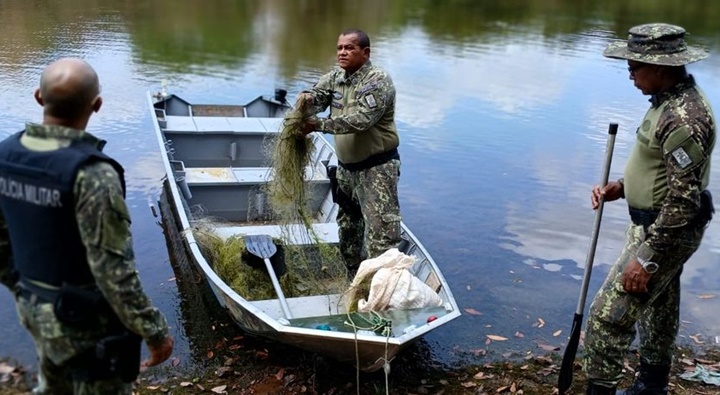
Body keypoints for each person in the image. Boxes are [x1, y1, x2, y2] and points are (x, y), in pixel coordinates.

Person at [0, 58, 174, 394]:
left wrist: (24, 290)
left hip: (33, 307)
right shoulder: (93, 175)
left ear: (39, 97)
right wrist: (154, 331)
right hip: (88, 323)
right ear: (97, 105)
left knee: (53, 383)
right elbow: (113, 269)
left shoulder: (5, 155)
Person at [583, 24, 715, 395]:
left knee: (607, 320)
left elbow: (683, 199)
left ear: (661, 67)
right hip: (653, 224)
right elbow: (664, 172)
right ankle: (652, 387)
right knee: (657, 309)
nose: (629, 72)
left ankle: (601, 390)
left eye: (635, 65)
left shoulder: (684, 118)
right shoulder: (665, 102)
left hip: (664, 232)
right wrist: (622, 189)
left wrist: (648, 258)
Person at [299, 28, 402, 272]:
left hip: (376, 170)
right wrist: (307, 100)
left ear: (365, 53)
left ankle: (382, 289)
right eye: (340, 48)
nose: (342, 53)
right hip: (346, 170)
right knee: (348, 227)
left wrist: (318, 125)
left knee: (381, 234)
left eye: (349, 48)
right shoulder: (336, 77)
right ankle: (353, 276)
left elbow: (362, 120)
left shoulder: (377, 81)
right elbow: (319, 96)